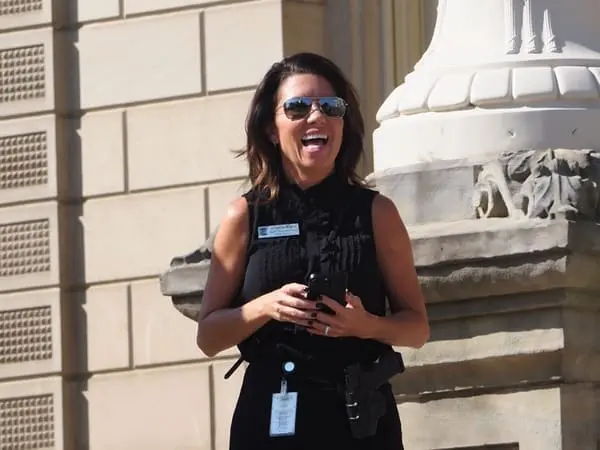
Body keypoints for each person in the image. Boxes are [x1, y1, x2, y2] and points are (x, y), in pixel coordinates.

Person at [196, 52, 430, 450]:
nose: (316, 117)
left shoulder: (376, 212)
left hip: (358, 418)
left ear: (343, 122)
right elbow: (208, 336)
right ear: (272, 128)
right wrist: (266, 307)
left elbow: (417, 328)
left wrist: (365, 325)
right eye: (298, 107)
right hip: (271, 415)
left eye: (330, 107)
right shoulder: (244, 215)